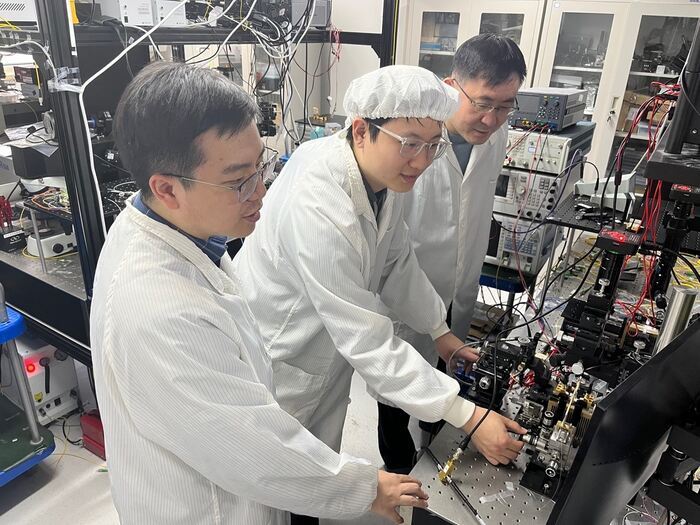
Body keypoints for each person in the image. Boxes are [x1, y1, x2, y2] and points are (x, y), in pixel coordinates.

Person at [89, 61, 431, 525]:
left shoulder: (182, 231)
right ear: (167, 188)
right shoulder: (157, 308)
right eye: (239, 180)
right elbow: (249, 447)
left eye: (260, 167)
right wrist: (365, 486)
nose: (261, 192)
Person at [234, 65, 526, 524]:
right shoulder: (322, 201)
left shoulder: (380, 178)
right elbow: (366, 339)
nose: (422, 160)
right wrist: (466, 415)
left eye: (433, 146)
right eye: (410, 143)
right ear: (361, 130)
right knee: (268, 489)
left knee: (311, 477)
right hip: (280, 358)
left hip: (320, 355)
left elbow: (395, 260)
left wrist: (439, 331)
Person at [377, 34, 528, 473]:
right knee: (397, 394)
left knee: (449, 378)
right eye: (482, 102)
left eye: (505, 105)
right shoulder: (412, 138)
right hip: (406, 290)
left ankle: (435, 448)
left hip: (459, 288)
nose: (492, 118)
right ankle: (400, 467)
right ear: (450, 85)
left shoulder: (494, 136)